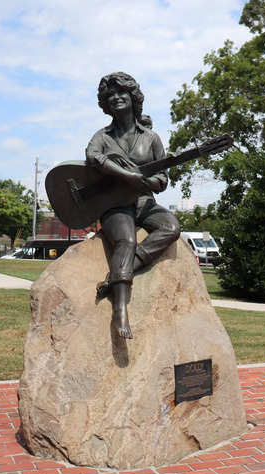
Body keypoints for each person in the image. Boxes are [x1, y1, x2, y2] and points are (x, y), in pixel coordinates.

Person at [85, 72, 180, 339]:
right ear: (105, 104)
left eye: (121, 93)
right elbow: (93, 156)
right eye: (110, 95)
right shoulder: (103, 136)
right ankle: (120, 311)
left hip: (143, 202)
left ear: (132, 97)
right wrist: (128, 175)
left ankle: (114, 277)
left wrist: (147, 182)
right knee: (126, 241)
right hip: (115, 204)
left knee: (171, 227)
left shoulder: (151, 138)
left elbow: (162, 181)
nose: (116, 98)